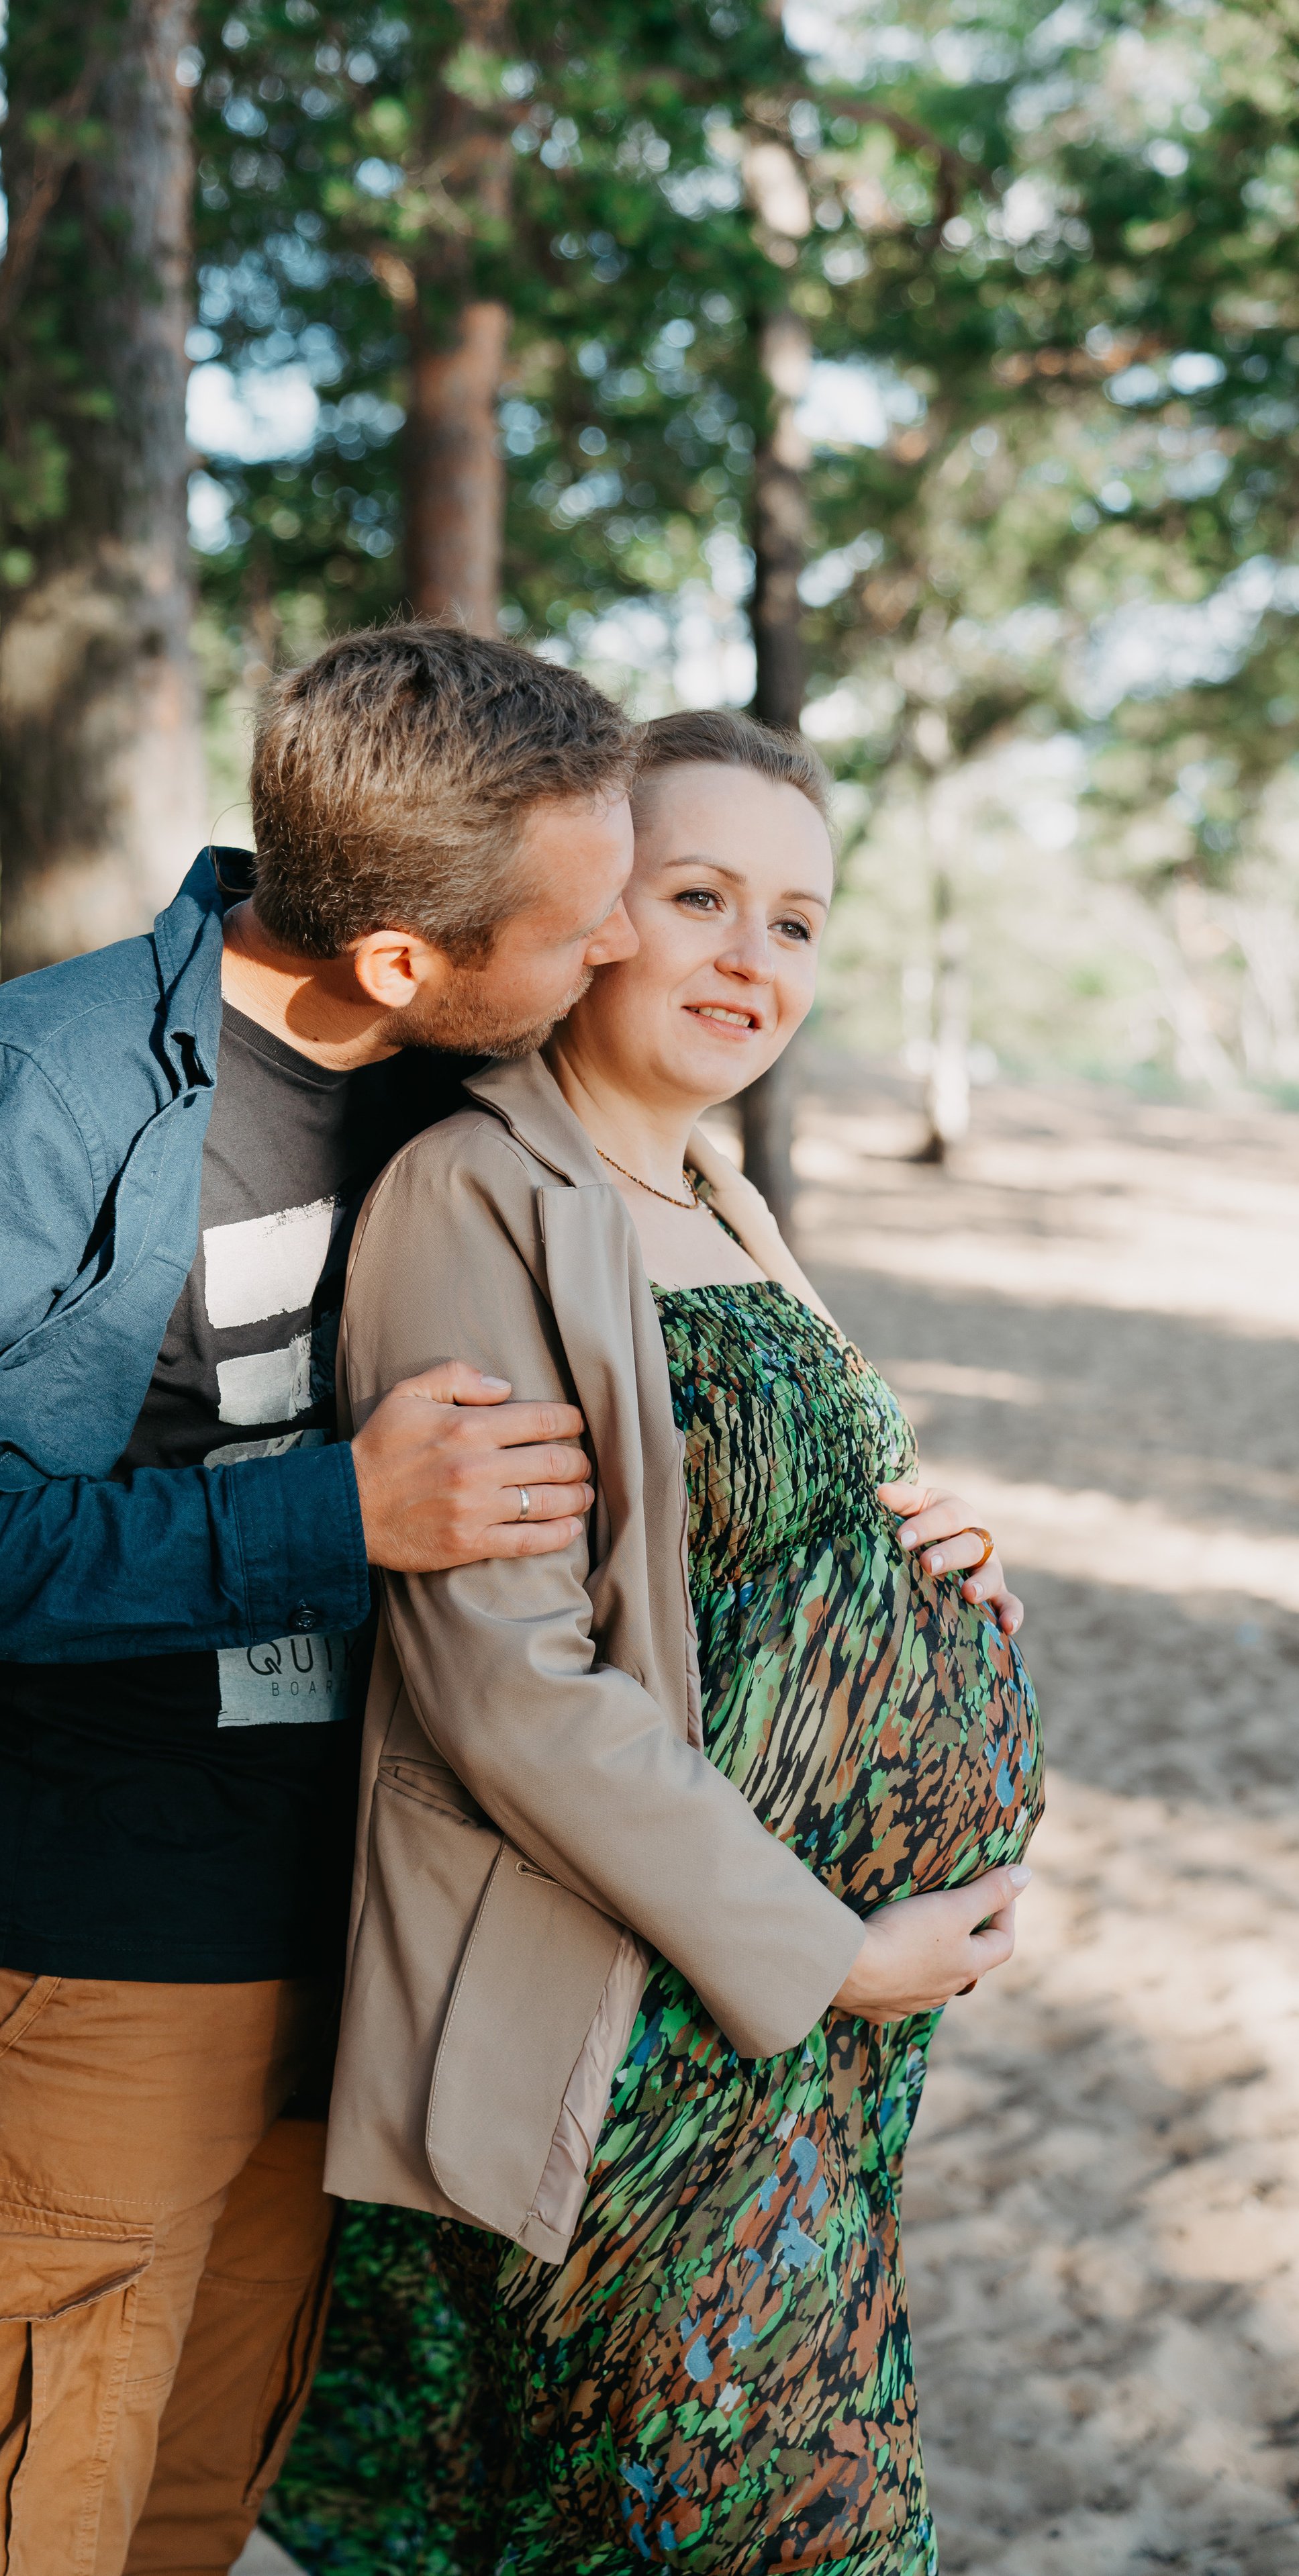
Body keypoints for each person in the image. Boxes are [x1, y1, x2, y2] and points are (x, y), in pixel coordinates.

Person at [0, 631, 943, 2576]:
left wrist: (879, 1540)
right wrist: (324, 1518)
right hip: (72, 1938)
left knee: (194, 2497)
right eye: (595, 919)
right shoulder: (38, 1085)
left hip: (342, 1944)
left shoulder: (452, 1098)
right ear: (407, 955)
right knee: (15, 2507)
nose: (622, 951)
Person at [291, 706, 1042, 2576]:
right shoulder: (480, 1196)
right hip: (665, 2031)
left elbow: (753, 1532)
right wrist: (836, 1955)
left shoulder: (712, 1189)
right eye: (697, 895)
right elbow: (504, 1685)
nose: (750, 957)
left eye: (795, 920)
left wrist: (926, 1534)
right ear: (594, 912)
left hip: (811, 2060)